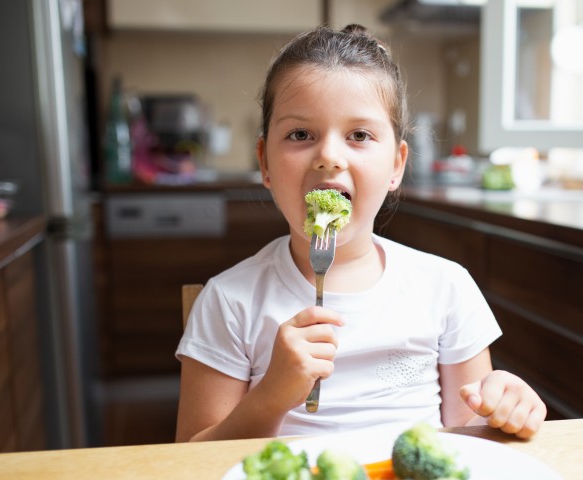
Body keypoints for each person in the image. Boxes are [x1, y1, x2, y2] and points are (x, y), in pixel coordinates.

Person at [175, 24, 546, 443]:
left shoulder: (445, 287)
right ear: (264, 161)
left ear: (396, 164)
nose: (329, 157)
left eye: (359, 136)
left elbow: (469, 436)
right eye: (300, 134)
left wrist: (503, 408)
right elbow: (192, 458)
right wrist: (271, 396)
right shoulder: (229, 301)